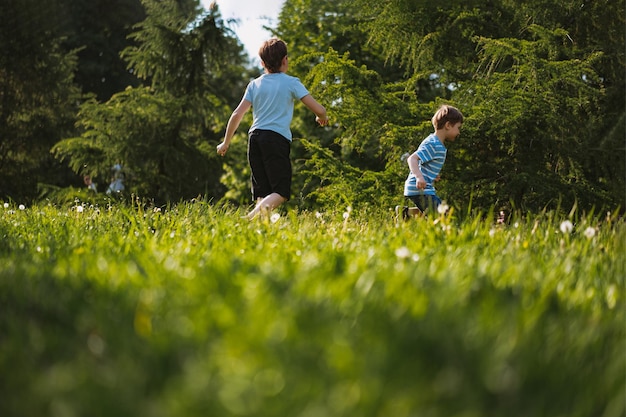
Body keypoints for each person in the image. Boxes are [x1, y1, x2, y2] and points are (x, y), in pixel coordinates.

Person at [217, 38, 328, 219]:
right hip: (276, 139)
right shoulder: (291, 82)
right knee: (281, 192)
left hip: (254, 138)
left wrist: (225, 142)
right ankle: (248, 219)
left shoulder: (254, 84)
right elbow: (320, 109)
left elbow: (237, 114)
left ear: (262, 63)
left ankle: (258, 232)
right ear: (285, 60)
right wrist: (321, 117)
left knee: (263, 193)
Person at [397, 104, 464, 220]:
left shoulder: (436, 143)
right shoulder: (433, 143)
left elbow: (425, 163)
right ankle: (438, 234)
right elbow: (412, 159)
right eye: (458, 128)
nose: (459, 132)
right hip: (419, 189)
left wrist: (431, 175)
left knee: (441, 211)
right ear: (448, 125)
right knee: (441, 215)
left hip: (424, 189)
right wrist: (419, 177)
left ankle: (406, 214)